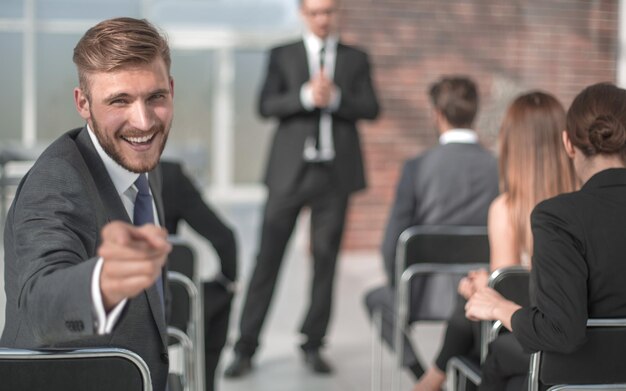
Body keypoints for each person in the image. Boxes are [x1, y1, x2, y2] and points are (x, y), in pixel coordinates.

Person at [1, 17, 174, 391]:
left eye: (155, 97)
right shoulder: (56, 181)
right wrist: (103, 283)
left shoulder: (140, 158)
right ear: (83, 103)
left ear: (171, 90)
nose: (143, 121)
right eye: (119, 100)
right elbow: (39, 305)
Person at [224, 0, 379, 377]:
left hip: (334, 175)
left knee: (325, 262)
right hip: (289, 174)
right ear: (302, 14)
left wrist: (338, 98)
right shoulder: (282, 55)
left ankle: (313, 343)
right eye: (315, 12)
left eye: (328, 11)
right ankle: (245, 347)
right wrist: (306, 97)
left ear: (337, 12)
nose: (322, 19)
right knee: (268, 259)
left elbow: (372, 108)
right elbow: (265, 105)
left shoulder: (356, 58)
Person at [412, 91, 577, 391]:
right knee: (474, 295)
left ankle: (431, 379)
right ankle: (432, 379)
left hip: (526, 333)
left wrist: (482, 286)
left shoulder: (506, 209)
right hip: (572, 331)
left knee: (470, 301)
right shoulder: (580, 203)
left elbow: (507, 292)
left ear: (513, 144)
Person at [466, 82, 626, 390]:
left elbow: (560, 331)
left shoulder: (558, 216)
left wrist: (498, 307)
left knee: (499, 352)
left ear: (568, 144)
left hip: (581, 376)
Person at [364, 76, 498, 380]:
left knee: (376, 300)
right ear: (474, 112)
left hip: (421, 291)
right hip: (478, 292)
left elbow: (392, 242)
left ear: (437, 113)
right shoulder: (497, 167)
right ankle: (456, 377)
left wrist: (399, 285)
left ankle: (421, 376)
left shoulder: (418, 167)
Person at [160, 160, 237, 391]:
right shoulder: (168, 175)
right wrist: (228, 282)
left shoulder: (74, 172)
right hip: (164, 315)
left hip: (90, 319)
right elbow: (224, 238)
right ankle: (204, 385)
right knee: (218, 294)